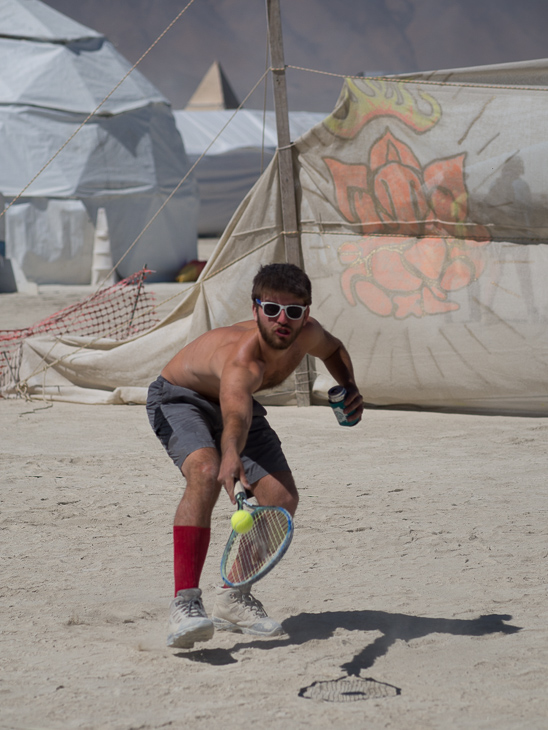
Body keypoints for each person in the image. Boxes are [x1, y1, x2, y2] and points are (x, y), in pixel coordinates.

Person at [146, 263, 363, 648]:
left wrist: (349, 387)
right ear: (255, 309)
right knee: (206, 469)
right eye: (272, 309)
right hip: (182, 398)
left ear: (306, 314)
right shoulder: (242, 360)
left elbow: (334, 349)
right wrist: (230, 454)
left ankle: (233, 597)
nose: (283, 319)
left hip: (237, 405)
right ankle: (185, 603)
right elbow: (236, 416)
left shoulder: (307, 335)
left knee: (281, 499)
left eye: (294, 311)